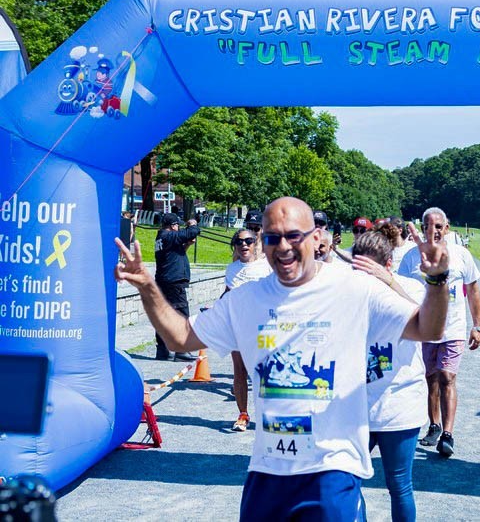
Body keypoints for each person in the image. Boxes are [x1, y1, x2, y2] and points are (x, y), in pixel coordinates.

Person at [114, 196, 449, 520]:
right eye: (273, 237)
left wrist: (436, 281)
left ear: (316, 238)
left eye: (293, 236)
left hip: (330, 470)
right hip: (268, 471)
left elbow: (428, 328)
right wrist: (147, 286)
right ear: (263, 242)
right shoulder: (246, 299)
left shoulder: (355, 288)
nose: (283, 246)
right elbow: (180, 337)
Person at [351, 231, 426, 521]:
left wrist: (390, 282)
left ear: (388, 264)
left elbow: (426, 323)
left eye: (372, 271)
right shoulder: (348, 290)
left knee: (399, 484)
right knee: (347, 482)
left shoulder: (411, 287)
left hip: (399, 404)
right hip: (355, 406)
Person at [399, 207, 480, 457]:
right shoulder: (411, 258)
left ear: (446, 228)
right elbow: (399, 291)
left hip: (453, 328)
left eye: (438, 226)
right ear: (421, 228)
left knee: (447, 376)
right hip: (423, 329)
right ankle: (434, 424)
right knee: (430, 377)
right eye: (427, 225)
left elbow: (473, 289)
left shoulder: (461, 255)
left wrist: (477, 325)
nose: (432, 230)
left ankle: (448, 433)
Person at [224, 228, 272, 432]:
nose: (244, 245)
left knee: (265, 372)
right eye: (239, 242)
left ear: (255, 244)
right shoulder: (231, 269)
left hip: (263, 327)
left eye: (248, 241)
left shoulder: (266, 266)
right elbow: (228, 294)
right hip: (237, 325)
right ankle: (243, 414)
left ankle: (268, 414)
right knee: (239, 371)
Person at [153, 213, 200, 361]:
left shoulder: (163, 237)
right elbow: (193, 231)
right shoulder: (168, 236)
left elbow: (175, 254)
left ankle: (162, 350)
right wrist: (192, 224)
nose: (179, 227)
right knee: (181, 314)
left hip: (165, 280)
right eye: (177, 225)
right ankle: (181, 351)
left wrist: (187, 244)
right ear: (173, 226)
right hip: (174, 281)